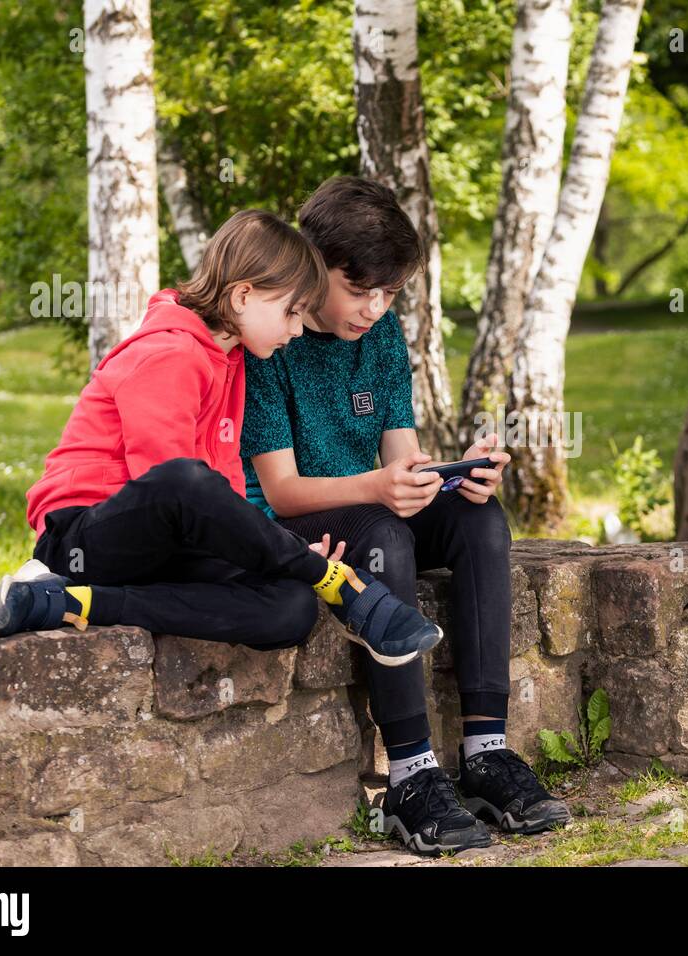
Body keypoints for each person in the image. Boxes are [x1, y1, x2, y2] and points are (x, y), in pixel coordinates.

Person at [242, 178, 571, 856]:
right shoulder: (273, 336)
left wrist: (453, 476)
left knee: (481, 520)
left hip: (370, 502)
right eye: (358, 288)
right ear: (312, 264)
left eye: (389, 292)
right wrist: (380, 487)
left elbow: (402, 459)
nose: (373, 307)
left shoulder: (385, 334)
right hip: (306, 524)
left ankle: (485, 753)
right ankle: (411, 774)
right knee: (386, 533)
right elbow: (279, 491)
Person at [0, 209, 442, 669]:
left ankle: (72, 602)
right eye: (291, 312)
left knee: (290, 608)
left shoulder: (233, 362)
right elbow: (172, 488)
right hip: (85, 535)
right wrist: (283, 552)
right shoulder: (170, 352)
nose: (297, 330)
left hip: (154, 550)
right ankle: (339, 583)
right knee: (188, 479)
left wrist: (274, 550)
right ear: (244, 295)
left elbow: (221, 498)